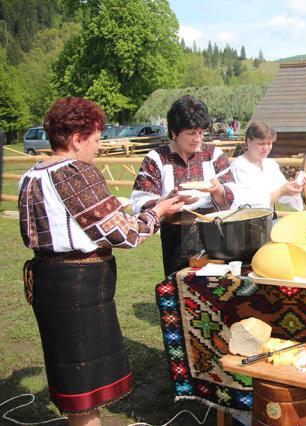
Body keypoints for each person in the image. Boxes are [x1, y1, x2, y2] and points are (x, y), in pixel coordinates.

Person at [18, 97, 183, 425]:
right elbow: (126, 235)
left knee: (73, 378)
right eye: (95, 139)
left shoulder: (31, 175)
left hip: (49, 282)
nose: (98, 146)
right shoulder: (75, 173)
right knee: (84, 385)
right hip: (77, 289)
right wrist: (157, 212)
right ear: (77, 139)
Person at [131, 95, 237, 276]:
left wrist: (218, 190)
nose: (197, 139)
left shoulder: (214, 155)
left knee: (215, 287)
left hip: (214, 231)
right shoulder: (157, 158)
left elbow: (233, 191)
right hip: (176, 235)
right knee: (180, 286)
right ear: (174, 132)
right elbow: (140, 200)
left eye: (201, 133)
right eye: (190, 133)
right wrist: (166, 201)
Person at [230, 122, 306, 210]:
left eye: (269, 143)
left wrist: (295, 185)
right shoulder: (239, 166)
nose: (266, 148)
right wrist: (280, 192)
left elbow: (284, 195)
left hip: (269, 219)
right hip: (248, 222)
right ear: (249, 141)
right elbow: (247, 205)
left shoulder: (270, 165)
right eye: (261, 144)